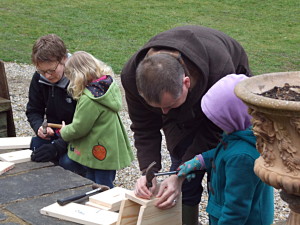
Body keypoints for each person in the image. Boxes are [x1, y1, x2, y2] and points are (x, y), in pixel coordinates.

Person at [121, 25, 252, 224]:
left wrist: (180, 175)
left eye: (169, 105)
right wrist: (149, 172)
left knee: (224, 169)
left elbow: (213, 131)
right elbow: (144, 127)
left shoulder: (220, 70)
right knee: (181, 157)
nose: (164, 114)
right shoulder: (132, 76)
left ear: (186, 82)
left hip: (223, 99)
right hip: (190, 92)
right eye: (158, 107)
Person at [177, 74, 274, 225]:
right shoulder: (239, 134)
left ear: (232, 115)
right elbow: (223, 152)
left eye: (218, 118)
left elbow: (236, 210)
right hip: (223, 214)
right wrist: (200, 160)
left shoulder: (242, 157)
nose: (215, 123)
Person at [60, 51, 134, 188]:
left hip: (97, 151)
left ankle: (107, 208)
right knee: (102, 181)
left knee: (99, 186)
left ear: (77, 76)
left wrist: (64, 132)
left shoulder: (89, 99)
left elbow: (79, 127)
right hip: (108, 148)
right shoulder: (107, 86)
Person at [26, 34, 85, 176]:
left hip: (80, 137)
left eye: (51, 70)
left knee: (67, 163)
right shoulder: (39, 79)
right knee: (35, 147)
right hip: (57, 133)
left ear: (64, 59)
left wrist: (58, 147)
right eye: (41, 71)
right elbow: (33, 110)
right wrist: (39, 126)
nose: (47, 76)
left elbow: (84, 126)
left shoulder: (80, 80)